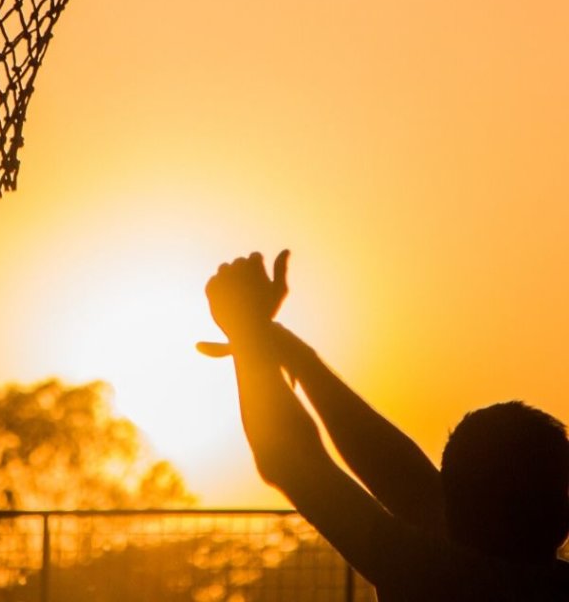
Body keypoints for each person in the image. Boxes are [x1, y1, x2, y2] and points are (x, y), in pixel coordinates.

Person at [199, 250, 569, 601]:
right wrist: (289, 352)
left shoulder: (448, 582)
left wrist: (246, 331)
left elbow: (291, 459)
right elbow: (407, 485)